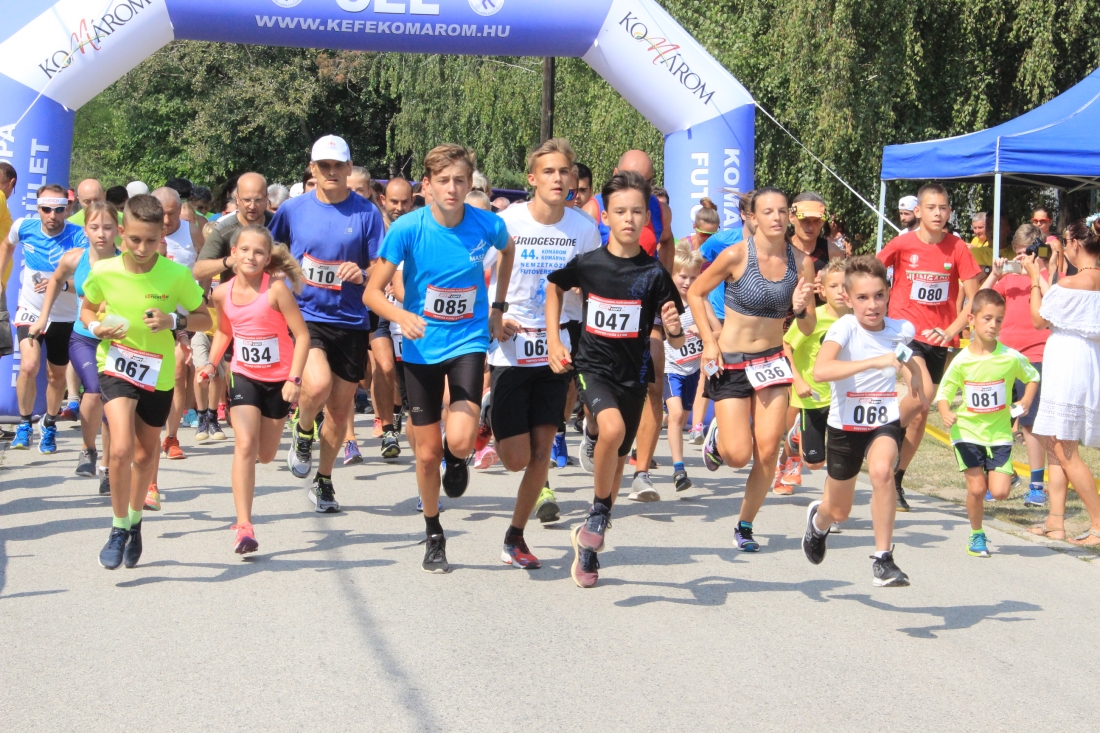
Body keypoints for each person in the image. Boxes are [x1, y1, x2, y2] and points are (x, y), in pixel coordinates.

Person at [364, 143, 514, 574]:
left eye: (460, 181)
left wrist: (497, 307)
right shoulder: (408, 228)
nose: (452, 188)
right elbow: (371, 293)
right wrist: (401, 315)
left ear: (470, 184)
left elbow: (509, 251)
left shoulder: (487, 224)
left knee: (461, 440)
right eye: (444, 181)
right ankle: (433, 532)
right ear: (427, 185)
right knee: (427, 455)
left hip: (468, 340)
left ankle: (459, 456)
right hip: (421, 347)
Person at [546, 170, 685, 588]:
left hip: (634, 375)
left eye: (637, 212)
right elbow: (554, 288)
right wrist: (554, 339)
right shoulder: (590, 264)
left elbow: (676, 337)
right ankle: (598, 513)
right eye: (620, 211)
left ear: (647, 219)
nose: (629, 218)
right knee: (613, 429)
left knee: (620, 455)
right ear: (605, 217)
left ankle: (589, 543)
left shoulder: (655, 274)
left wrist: (673, 329)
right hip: (592, 367)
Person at [485, 137, 600, 567]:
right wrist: (493, 315)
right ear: (532, 178)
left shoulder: (583, 228)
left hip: (557, 347)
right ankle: (488, 412)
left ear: (572, 179)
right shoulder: (506, 221)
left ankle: (514, 538)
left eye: (564, 171)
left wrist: (585, 289)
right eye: (548, 171)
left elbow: (597, 283)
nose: (557, 178)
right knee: (515, 459)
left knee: (540, 451)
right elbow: (475, 273)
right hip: (510, 346)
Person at [80, 194, 210, 570]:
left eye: (150, 241)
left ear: (162, 236)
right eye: (134, 239)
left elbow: (206, 319)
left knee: (142, 454)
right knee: (121, 449)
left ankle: (135, 523)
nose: (141, 248)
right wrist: (96, 326)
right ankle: (118, 527)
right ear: (121, 232)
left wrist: (174, 321)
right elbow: (87, 308)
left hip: (158, 373)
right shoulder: (104, 271)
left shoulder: (176, 275)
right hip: (116, 367)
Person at [690, 187, 817, 551]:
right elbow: (696, 292)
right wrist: (709, 340)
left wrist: (801, 307)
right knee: (737, 456)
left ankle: (745, 525)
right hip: (731, 363)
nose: (776, 217)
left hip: (772, 363)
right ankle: (718, 438)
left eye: (782, 211)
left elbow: (808, 326)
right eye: (768, 211)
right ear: (754, 217)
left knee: (768, 449)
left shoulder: (801, 263)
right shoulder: (735, 255)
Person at [272, 135, 384, 513]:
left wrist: (362, 273)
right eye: (324, 166)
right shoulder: (292, 209)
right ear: (313, 169)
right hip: (307, 316)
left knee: (339, 410)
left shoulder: (366, 212)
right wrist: (282, 278)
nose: (331, 172)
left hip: (351, 319)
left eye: (338, 165)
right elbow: (272, 251)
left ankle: (323, 480)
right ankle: (304, 428)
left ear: (349, 168)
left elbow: (380, 266)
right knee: (317, 383)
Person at [801, 255, 927, 586]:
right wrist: (872, 363)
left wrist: (914, 371)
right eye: (863, 297)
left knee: (883, 471)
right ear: (847, 297)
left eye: (879, 295)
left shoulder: (899, 329)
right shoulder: (844, 328)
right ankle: (818, 521)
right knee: (839, 511)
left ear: (888, 293)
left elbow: (901, 351)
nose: (872, 305)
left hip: (882, 421)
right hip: (844, 428)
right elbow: (821, 370)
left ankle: (883, 559)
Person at [201, 226, 310, 554]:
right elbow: (224, 332)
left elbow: (302, 336)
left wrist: (294, 380)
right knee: (245, 443)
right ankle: (244, 526)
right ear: (233, 254)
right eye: (245, 250)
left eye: (259, 252)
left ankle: (293, 432)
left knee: (265, 455)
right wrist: (211, 364)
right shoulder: (222, 293)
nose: (251, 256)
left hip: (279, 381)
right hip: (243, 375)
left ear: (267, 258)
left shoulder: (276, 290)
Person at [877, 183, 982, 511]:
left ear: (949, 212)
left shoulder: (958, 247)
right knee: (923, 391)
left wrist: (950, 330)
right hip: (904, 334)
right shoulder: (902, 243)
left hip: (939, 337)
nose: (938, 213)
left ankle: (896, 476)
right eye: (931, 207)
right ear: (918, 211)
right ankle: (882, 433)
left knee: (921, 411)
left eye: (943, 208)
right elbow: (870, 272)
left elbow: (975, 299)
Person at [935, 289, 1039, 557]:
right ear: (971, 319)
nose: (993, 325)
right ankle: (976, 534)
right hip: (967, 432)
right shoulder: (962, 360)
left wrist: (1026, 400)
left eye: (998, 320)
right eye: (987, 318)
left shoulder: (1010, 356)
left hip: (999, 434)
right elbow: (944, 393)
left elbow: (1032, 377)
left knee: (1000, 492)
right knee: (977, 488)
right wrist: (946, 412)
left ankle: (995, 476)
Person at [1024, 222, 1100, 546]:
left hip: (1068, 362)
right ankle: (1055, 521)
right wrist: (1050, 273)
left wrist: (1034, 278)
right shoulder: (1083, 282)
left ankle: (1098, 523)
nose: (1065, 248)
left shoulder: (1072, 283)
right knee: (1054, 439)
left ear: (1076, 244)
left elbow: (1038, 318)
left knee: (1065, 449)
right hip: (1086, 360)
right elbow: (1058, 306)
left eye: (1066, 243)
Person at [35, 201, 120, 486]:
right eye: (95, 227)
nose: (101, 234)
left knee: (111, 402)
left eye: (108, 227)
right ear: (85, 230)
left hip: (116, 340)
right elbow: (55, 280)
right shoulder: (75, 258)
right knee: (93, 391)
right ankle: (88, 450)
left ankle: (108, 467)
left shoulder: (126, 262)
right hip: (83, 336)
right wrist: (42, 319)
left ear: (118, 230)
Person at [0, 184, 87, 453]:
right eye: (46, 209)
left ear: (67, 209)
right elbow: (6, 245)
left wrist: (60, 284)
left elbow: (88, 281)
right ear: (38, 208)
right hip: (31, 310)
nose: (52, 215)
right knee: (28, 366)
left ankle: (49, 424)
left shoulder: (79, 236)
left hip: (65, 315)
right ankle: (24, 425)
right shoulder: (23, 227)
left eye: (59, 210)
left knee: (56, 376)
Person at [981, 223, 1051, 507]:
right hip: (1005, 355)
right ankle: (1004, 474)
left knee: (1031, 423)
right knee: (996, 417)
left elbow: (1054, 303)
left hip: (1037, 354)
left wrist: (1035, 275)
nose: (1020, 259)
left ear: (1038, 252)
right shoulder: (1008, 279)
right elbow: (980, 301)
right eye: (1016, 253)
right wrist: (995, 274)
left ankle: (1037, 485)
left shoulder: (1048, 275)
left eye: (1025, 254)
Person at [779, 260, 850, 494]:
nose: (840, 292)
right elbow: (785, 346)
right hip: (813, 396)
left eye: (845, 286)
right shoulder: (813, 319)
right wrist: (797, 380)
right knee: (814, 462)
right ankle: (795, 438)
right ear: (822, 291)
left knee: (843, 453)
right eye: (834, 286)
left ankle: (833, 500)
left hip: (845, 397)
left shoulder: (858, 320)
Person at [663, 244, 703, 493]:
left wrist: (704, 331)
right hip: (670, 368)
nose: (688, 282)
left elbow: (719, 332)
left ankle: (654, 421)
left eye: (693, 277)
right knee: (677, 416)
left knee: (678, 417)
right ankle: (679, 470)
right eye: (683, 276)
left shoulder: (700, 303)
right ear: (672, 275)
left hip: (693, 370)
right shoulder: (667, 304)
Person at [195, 173, 271, 286]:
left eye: (258, 200)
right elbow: (199, 271)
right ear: (237, 199)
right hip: (234, 295)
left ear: (266, 198)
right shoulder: (224, 229)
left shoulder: (279, 223)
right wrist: (231, 260)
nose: (252, 206)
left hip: (272, 294)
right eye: (246, 200)